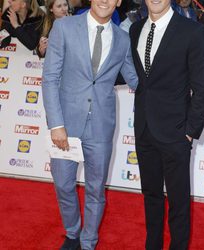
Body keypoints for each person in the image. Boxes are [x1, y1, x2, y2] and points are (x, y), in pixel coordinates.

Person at [42, 0, 138, 249]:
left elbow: (136, 80)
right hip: (66, 123)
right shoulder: (64, 27)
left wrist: (172, 78)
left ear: (118, 2)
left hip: (101, 125)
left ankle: (88, 241)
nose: (104, 0)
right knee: (63, 184)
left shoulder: (122, 39)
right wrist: (56, 125)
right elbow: (50, 78)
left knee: (96, 189)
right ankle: (73, 232)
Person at [129, 0, 204, 249]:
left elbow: (202, 88)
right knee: (151, 196)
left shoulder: (193, 32)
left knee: (178, 202)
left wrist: (189, 132)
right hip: (144, 128)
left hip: (176, 132)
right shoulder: (135, 29)